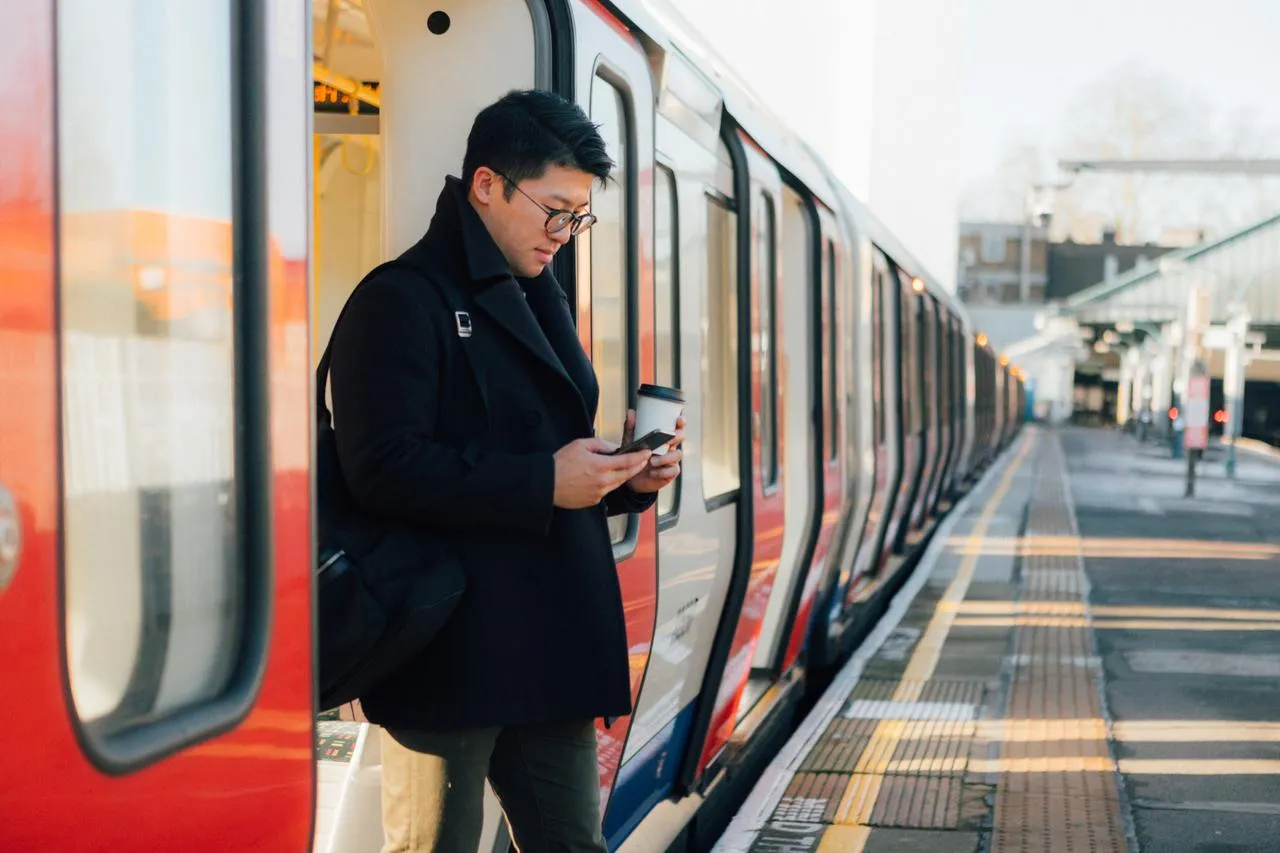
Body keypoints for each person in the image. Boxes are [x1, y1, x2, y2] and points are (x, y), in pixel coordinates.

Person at [328, 89, 684, 853]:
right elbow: (379, 468)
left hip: (546, 640)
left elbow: (547, 452)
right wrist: (542, 482)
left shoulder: (537, 294)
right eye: (554, 209)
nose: (565, 233)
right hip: (448, 645)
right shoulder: (399, 299)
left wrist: (624, 479)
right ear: (486, 185)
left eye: (577, 216)